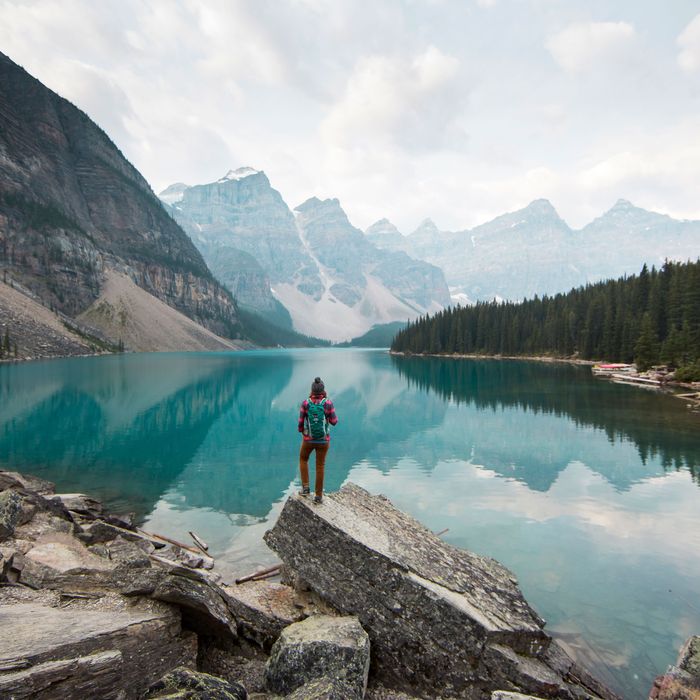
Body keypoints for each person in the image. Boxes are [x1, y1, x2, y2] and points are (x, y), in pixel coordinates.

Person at [297, 376, 338, 504]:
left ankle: (305, 488)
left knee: (303, 459)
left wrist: (303, 431)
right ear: (323, 390)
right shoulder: (328, 403)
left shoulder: (305, 403)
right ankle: (318, 496)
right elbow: (334, 422)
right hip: (323, 440)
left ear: (312, 390)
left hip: (308, 440)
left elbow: (300, 424)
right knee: (320, 466)